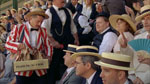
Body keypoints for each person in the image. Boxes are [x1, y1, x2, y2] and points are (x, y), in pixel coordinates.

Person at [5, 8, 53, 84]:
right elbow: (8, 44)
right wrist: (18, 45)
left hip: (40, 69)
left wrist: (49, 56)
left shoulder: (43, 30)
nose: (40, 24)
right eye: (38, 21)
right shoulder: (19, 28)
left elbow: (48, 45)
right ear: (30, 18)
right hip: (23, 68)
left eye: (41, 22)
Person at [42, 0, 79, 83]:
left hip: (68, 42)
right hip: (56, 44)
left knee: (69, 64)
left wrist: (76, 38)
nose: (63, 0)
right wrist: (53, 42)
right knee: (54, 66)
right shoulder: (49, 12)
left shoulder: (68, 11)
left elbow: (72, 26)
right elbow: (45, 30)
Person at [119, 5, 150, 84]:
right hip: (132, 76)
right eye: (143, 19)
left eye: (148, 18)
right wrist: (124, 47)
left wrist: (145, 78)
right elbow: (129, 57)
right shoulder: (138, 38)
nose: (145, 22)